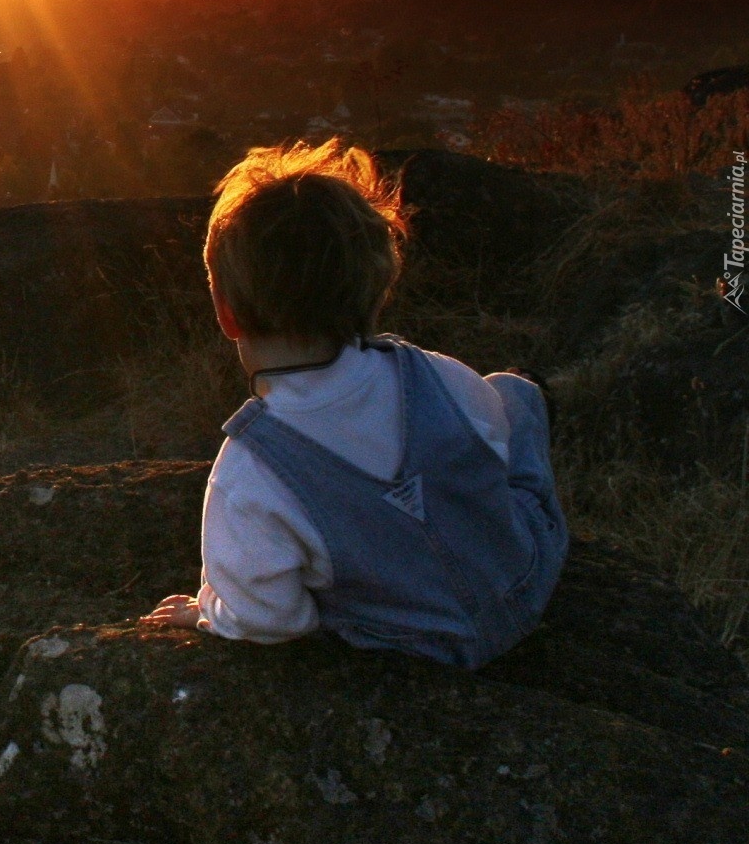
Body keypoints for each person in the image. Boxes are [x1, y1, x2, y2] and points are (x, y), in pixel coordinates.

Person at [140, 140, 567, 669]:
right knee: (513, 392)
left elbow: (269, 619)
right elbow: (491, 457)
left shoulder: (249, 472)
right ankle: (531, 389)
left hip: (411, 646)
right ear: (375, 290)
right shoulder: (435, 373)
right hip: (527, 582)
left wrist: (208, 611)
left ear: (227, 315)